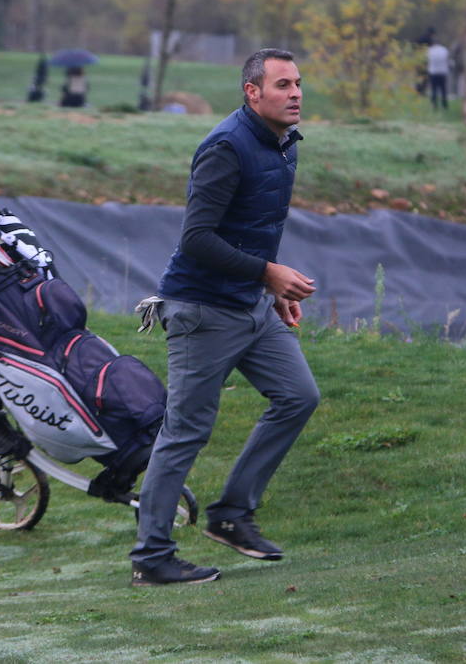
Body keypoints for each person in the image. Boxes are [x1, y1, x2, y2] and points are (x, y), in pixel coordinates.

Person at [129, 48, 321, 587]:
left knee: (298, 396)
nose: (296, 93)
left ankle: (232, 514)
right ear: (252, 93)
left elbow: (258, 225)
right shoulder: (225, 147)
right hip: (201, 309)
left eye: (298, 83)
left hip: (251, 306)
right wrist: (269, 273)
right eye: (283, 85)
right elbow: (196, 239)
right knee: (185, 431)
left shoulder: (284, 145)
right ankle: (152, 556)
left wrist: (272, 289)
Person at [426, 31, 450, 110]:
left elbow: (428, 61)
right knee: (443, 90)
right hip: (442, 72)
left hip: (433, 72)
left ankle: (434, 105)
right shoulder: (444, 50)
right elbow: (447, 60)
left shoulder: (430, 50)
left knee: (434, 90)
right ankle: (444, 104)